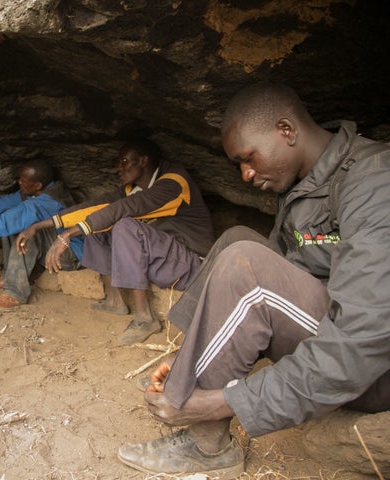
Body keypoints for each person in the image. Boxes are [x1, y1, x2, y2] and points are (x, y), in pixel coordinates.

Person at [117, 83, 390, 478]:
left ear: (286, 130)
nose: (245, 174)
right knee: (238, 239)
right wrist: (195, 353)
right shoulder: (305, 183)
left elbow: (362, 341)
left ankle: (207, 444)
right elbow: (288, 266)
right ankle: (189, 364)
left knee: (247, 267)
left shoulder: (374, 182)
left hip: (374, 367)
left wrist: (224, 401)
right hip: (340, 331)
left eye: (248, 158)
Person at [18, 139, 214, 345]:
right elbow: (97, 207)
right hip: (161, 259)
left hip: (188, 263)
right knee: (97, 222)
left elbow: (126, 207)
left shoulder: (173, 183)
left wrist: (67, 235)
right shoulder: (133, 188)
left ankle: (145, 318)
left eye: (124, 161)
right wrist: (38, 226)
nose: (119, 168)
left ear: (143, 161)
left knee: (123, 226)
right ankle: (115, 300)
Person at [0, 159, 82, 310]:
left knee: (28, 230)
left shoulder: (52, 200)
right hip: (52, 251)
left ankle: (14, 293)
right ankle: (8, 277)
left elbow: (20, 214)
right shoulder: (32, 193)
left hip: (68, 255)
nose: (19, 182)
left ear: (38, 185)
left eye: (24, 181)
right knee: (10, 219)